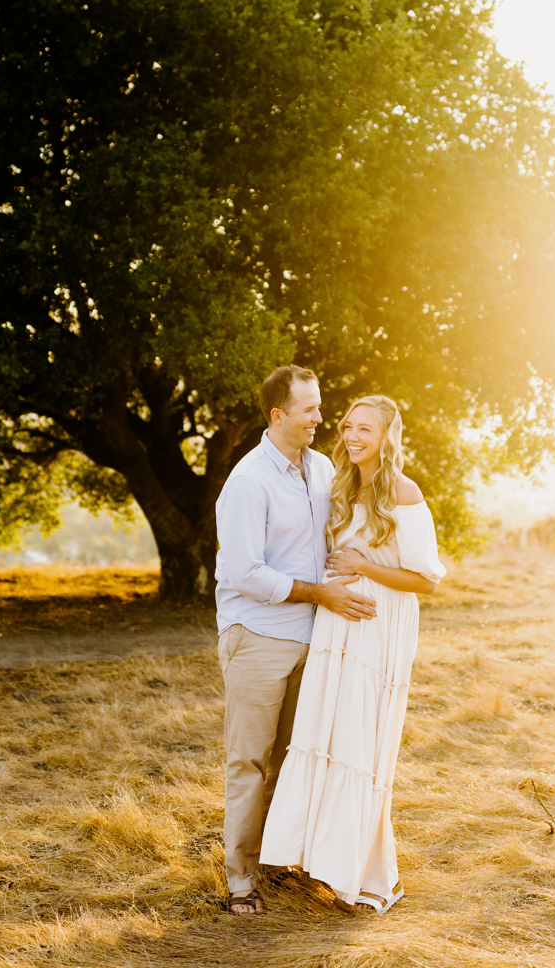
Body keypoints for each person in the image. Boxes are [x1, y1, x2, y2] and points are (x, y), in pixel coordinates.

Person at [259, 394, 445, 914]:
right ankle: (321, 862)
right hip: (335, 627)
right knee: (327, 737)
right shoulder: (341, 487)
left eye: (366, 428)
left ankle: (372, 876)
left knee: (361, 747)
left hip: (377, 623)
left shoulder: (403, 493)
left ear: (387, 435)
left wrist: (364, 565)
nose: (353, 435)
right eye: (347, 426)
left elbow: (426, 580)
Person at [214, 365, 377, 917]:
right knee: (250, 762)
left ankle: (282, 863)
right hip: (258, 636)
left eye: (319, 405)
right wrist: (319, 594)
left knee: (296, 758)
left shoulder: (323, 467)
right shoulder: (247, 481)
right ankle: (240, 882)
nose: (320, 417)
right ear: (278, 415)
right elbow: (245, 573)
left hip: (313, 638)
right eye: (309, 409)